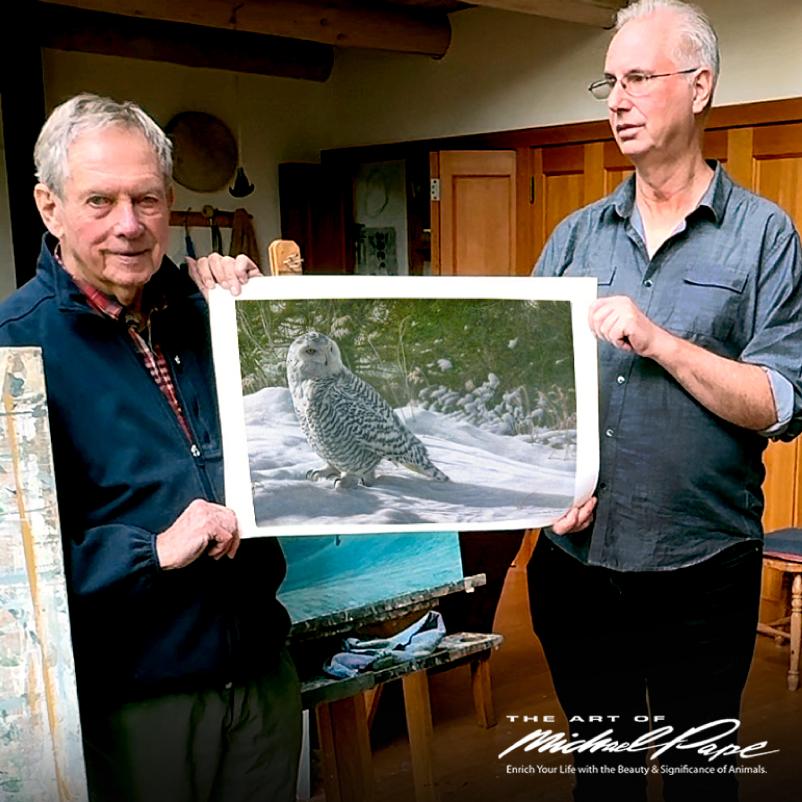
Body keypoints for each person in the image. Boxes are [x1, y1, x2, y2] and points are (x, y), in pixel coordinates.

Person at [526, 1, 802, 800]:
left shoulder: (765, 236)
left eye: (639, 78)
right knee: (601, 781)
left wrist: (660, 341)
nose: (616, 99)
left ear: (701, 86)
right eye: (608, 81)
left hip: (701, 571)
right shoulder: (575, 237)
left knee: (695, 782)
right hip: (575, 569)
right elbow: (532, 397)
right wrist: (540, 492)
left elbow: (781, 401)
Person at [0, 93, 301, 802]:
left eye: (148, 199)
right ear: (50, 208)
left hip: (260, 681)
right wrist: (152, 549)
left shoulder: (217, 313)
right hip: (134, 706)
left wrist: (266, 321)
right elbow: (12, 573)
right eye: (99, 201)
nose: (129, 226)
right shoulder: (13, 347)